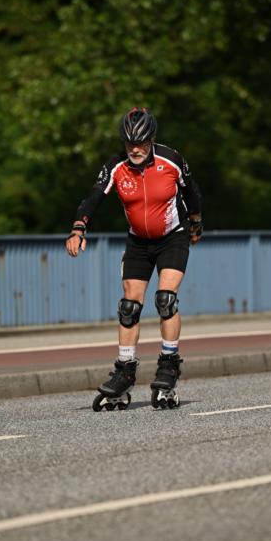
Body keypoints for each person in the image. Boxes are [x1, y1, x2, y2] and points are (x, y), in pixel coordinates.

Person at [65, 107, 203, 409]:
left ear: (152, 139)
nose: (135, 149)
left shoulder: (172, 160)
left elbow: (191, 190)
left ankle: (169, 364)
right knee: (129, 307)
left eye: (141, 143)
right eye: (129, 143)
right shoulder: (116, 166)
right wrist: (78, 228)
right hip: (139, 242)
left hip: (173, 237)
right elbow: (93, 197)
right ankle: (125, 370)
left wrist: (195, 220)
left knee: (165, 298)